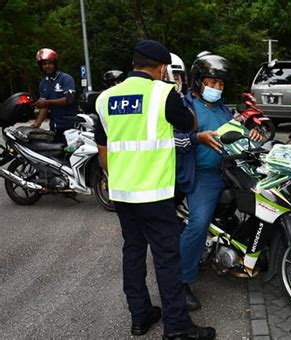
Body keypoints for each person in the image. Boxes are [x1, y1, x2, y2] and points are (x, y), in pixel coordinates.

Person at [94, 39, 215, 340]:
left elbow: (103, 150)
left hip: (122, 194)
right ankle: (177, 327)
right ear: (162, 68)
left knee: (133, 253)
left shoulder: (106, 98)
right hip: (155, 194)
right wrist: (173, 87)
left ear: (134, 64)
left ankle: (140, 317)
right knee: (166, 259)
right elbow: (191, 123)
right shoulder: (164, 94)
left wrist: (118, 178)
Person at [178, 53, 262, 310]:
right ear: (198, 82)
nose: (216, 88)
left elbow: (235, 135)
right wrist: (196, 138)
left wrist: (253, 134)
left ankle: (245, 253)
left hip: (230, 170)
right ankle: (180, 283)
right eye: (211, 83)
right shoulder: (185, 107)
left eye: (220, 84)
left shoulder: (224, 109)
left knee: (262, 202)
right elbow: (172, 140)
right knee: (198, 224)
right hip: (204, 175)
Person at [31, 48, 77, 142]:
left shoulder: (66, 78)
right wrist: (37, 123)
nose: (47, 66)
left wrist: (47, 102)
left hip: (70, 125)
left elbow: (69, 99)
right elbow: (45, 106)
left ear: (55, 64)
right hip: (54, 126)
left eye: (50, 63)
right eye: (44, 64)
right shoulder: (43, 83)